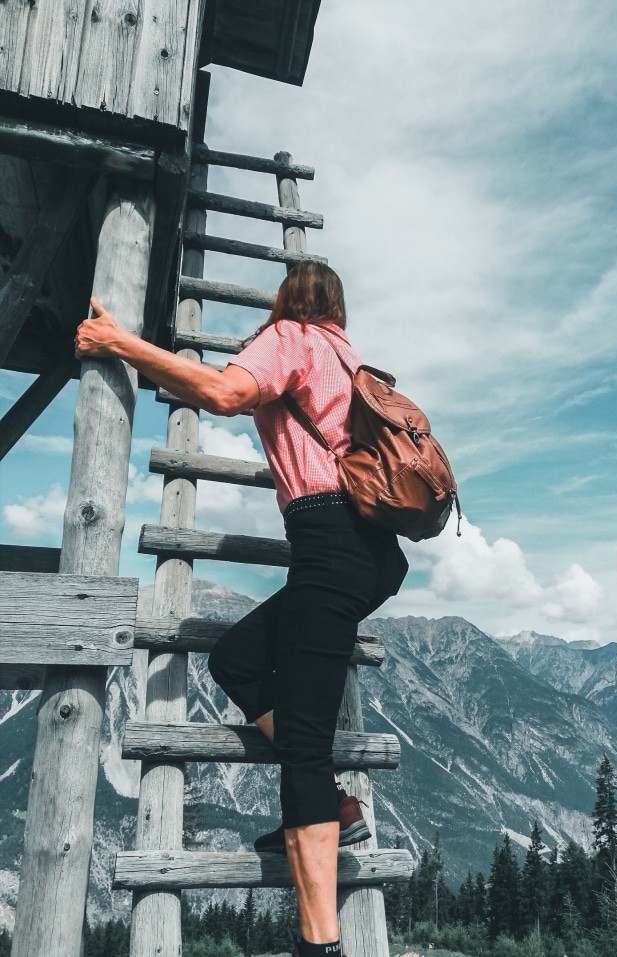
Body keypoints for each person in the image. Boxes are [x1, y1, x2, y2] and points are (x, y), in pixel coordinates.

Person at [74, 262, 409, 957]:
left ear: (288, 303)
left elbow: (226, 392)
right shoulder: (348, 357)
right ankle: (333, 808)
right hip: (374, 553)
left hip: (329, 541)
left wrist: (121, 343)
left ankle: (320, 944)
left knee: (306, 757)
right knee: (237, 658)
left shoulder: (290, 338)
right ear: (338, 305)